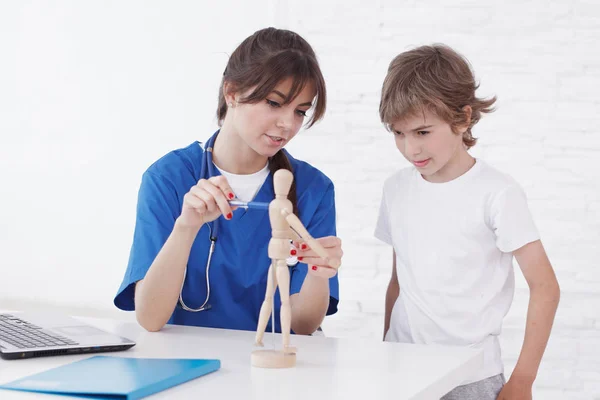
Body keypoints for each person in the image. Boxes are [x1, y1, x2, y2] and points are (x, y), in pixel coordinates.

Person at [114, 27, 343, 337]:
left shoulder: (313, 189)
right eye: (274, 104)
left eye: (300, 111)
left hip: (275, 368)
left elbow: (302, 328)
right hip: (188, 365)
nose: (288, 124)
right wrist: (186, 227)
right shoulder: (169, 178)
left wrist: (319, 274)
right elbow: (150, 319)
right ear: (232, 92)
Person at [375, 44, 560, 399]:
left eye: (423, 132)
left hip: (470, 379)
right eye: (398, 133)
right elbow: (399, 281)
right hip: (402, 372)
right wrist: (386, 352)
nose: (410, 149)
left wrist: (522, 381)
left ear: (462, 118)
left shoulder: (498, 193)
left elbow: (546, 288)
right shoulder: (396, 189)